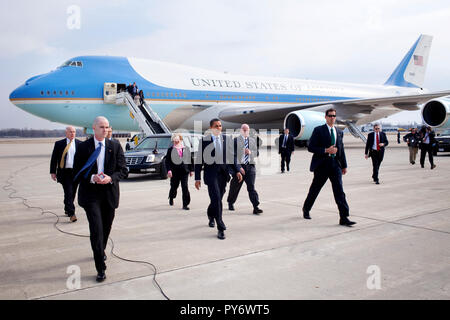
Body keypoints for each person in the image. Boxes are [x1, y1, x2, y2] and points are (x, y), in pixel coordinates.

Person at [73, 116, 128, 282]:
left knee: (106, 227)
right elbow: (77, 171)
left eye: (107, 127)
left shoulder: (115, 146)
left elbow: (123, 170)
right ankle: (100, 268)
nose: (105, 130)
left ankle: (100, 250)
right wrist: (92, 178)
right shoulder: (83, 147)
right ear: (94, 128)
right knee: (96, 229)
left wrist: (110, 178)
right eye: (101, 127)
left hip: (109, 193)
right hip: (91, 194)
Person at [302, 108, 355, 227]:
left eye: (334, 116)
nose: (332, 118)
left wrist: (344, 165)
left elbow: (341, 150)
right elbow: (311, 147)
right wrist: (326, 150)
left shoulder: (339, 132)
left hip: (335, 165)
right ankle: (306, 208)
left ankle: (344, 217)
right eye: (330, 116)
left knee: (339, 192)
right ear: (325, 117)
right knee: (315, 189)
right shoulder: (318, 130)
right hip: (322, 165)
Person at [194, 119, 242, 240]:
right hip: (211, 175)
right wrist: (197, 178)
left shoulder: (227, 139)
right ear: (211, 128)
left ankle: (211, 215)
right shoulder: (204, 141)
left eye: (220, 126)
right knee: (216, 198)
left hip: (223, 174)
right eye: (216, 126)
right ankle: (220, 227)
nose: (219, 128)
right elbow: (199, 159)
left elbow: (232, 156)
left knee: (218, 199)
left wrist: (237, 170)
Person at [227, 124, 263, 215]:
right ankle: (230, 202)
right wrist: (238, 168)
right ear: (241, 131)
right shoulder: (235, 141)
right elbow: (232, 156)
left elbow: (257, 153)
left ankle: (256, 206)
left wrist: (250, 152)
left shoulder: (252, 141)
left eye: (247, 130)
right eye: (244, 129)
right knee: (235, 187)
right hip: (239, 167)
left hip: (250, 167)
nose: (245, 131)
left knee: (251, 187)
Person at [50, 126, 82, 222]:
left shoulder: (80, 144)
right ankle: (72, 213)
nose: (72, 133)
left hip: (75, 172)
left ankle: (67, 209)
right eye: (70, 132)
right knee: (68, 192)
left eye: (74, 132)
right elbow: (54, 158)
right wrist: (52, 172)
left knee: (72, 193)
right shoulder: (59, 144)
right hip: (64, 172)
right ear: (66, 133)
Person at [165, 133, 193, 210]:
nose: (176, 142)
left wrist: (191, 170)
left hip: (184, 171)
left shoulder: (186, 149)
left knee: (185, 187)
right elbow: (167, 161)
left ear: (181, 140)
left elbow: (190, 160)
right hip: (175, 172)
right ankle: (171, 197)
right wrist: (169, 170)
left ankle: (185, 204)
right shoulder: (170, 150)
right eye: (175, 141)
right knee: (174, 187)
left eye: (177, 141)